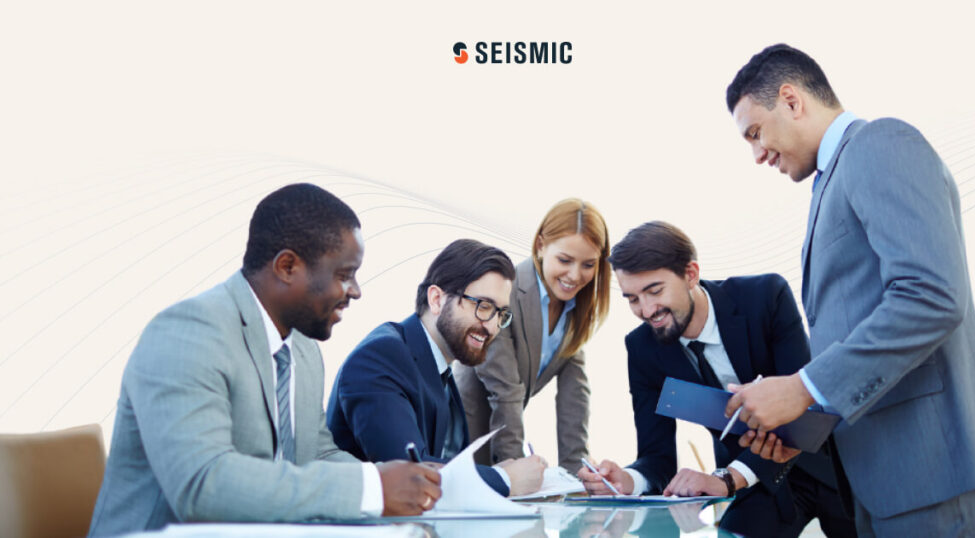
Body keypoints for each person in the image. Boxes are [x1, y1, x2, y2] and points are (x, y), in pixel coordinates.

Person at [724, 43, 975, 535]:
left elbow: (930, 295)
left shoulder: (880, 144)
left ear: (792, 100)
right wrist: (805, 421)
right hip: (883, 480)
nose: (758, 154)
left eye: (755, 133)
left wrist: (804, 387)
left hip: (934, 474)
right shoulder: (831, 180)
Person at [89, 184, 442, 537]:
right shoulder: (188, 332)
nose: (356, 291)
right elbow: (202, 485)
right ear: (287, 266)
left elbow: (315, 454)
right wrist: (371, 488)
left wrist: (403, 486)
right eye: (344, 274)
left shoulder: (302, 349)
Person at [577, 221, 854, 537]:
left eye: (655, 291)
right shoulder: (641, 349)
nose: (647, 310)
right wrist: (628, 480)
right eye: (632, 298)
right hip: (756, 484)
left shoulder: (766, 297)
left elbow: (802, 414)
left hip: (828, 463)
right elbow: (657, 456)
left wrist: (726, 479)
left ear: (691, 274)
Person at [327, 239, 546, 497]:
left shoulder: (438, 367)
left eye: (501, 314)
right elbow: (409, 473)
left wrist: (498, 473)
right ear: (437, 299)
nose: (492, 326)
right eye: (484, 306)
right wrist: (503, 478)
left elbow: (446, 465)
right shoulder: (381, 357)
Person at [454, 198, 611, 472]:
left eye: (588, 264)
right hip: (461, 434)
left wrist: (576, 472)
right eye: (565, 260)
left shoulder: (575, 307)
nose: (575, 275)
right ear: (540, 246)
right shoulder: (505, 291)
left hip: (499, 431)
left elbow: (575, 396)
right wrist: (514, 465)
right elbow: (505, 389)